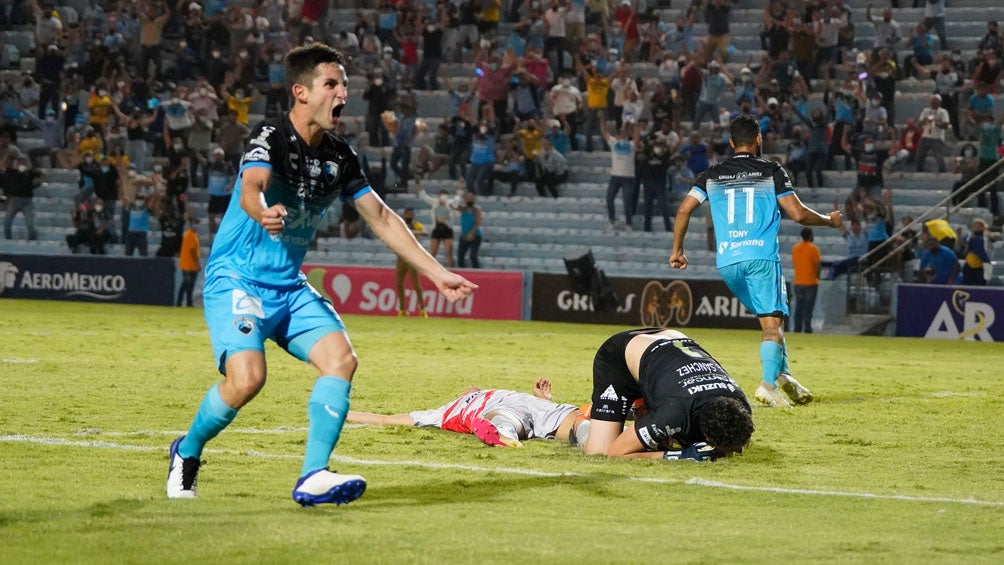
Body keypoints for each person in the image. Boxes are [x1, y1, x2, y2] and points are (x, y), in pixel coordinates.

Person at [166, 45, 477, 507]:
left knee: (341, 360)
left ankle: (313, 474)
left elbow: (382, 217)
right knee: (248, 379)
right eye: (331, 84)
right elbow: (250, 188)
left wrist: (435, 273)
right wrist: (262, 211)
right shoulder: (270, 136)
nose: (342, 93)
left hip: (289, 286)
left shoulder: (340, 155)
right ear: (301, 92)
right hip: (238, 280)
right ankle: (186, 451)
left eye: (344, 84)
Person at [670, 115, 842, 408]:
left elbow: (684, 210)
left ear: (732, 143)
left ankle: (785, 375)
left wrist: (678, 250)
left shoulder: (712, 174)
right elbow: (798, 214)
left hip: (728, 262)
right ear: (759, 140)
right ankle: (767, 384)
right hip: (760, 258)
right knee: (772, 323)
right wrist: (830, 221)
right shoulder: (771, 170)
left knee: (769, 319)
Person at [581, 328, 754, 461]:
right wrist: (681, 456)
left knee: (668, 437)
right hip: (621, 355)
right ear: (707, 435)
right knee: (599, 451)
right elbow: (616, 453)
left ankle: (637, 412)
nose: (735, 452)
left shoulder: (740, 405)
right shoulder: (675, 413)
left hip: (671, 341)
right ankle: (579, 419)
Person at [347, 378, 586, 448]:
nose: (471, 389)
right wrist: (341, 412)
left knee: (582, 420)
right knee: (499, 418)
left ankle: (615, 419)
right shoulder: (441, 413)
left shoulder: (483, 392)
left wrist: (542, 399)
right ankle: (504, 434)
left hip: (530, 403)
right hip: (497, 411)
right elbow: (384, 419)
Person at [395, 207, 429, 317]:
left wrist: (411, 232)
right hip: (401, 257)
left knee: (416, 284)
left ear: (413, 215)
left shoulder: (416, 225)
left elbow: (425, 232)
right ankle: (402, 309)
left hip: (412, 258)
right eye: (407, 214)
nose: (408, 216)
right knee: (399, 284)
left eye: (410, 214)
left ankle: (422, 309)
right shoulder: (401, 224)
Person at [417, 180, 459, 268]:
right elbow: (423, 196)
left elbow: (457, 199)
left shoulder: (450, 203)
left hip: (447, 228)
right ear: (439, 196)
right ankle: (430, 269)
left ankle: (453, 269)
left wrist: (460, 188)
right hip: (437, 228)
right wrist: (419, 185)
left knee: (448, 253)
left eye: (445, 195)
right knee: (433, 252)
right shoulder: (434, 202)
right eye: (442, 195)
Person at [1, 155, 42, 240]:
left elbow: (43, 175)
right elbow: (2, 167)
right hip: (15, 200)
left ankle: (31, 241)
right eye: (19, 161)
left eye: (23, 161)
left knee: (30, 225)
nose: (21, 163)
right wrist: (7, 158)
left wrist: (30, 170)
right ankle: (8, 240)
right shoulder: (12, 172)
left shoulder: (30, 173)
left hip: (26, 201)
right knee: (7, 223)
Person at [791, 228, 821, 333]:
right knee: (808, 308)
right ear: (809, 236)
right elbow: (817, 266)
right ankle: (807, 328)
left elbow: (795, 263)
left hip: (798, 281)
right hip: (811, 282)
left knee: (798, 307)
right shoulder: (814, 249)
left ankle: (797, 329)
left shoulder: (795, 248)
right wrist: (817, 276)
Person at [177, 216, 200, 307]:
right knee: (188, 285)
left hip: (187, 264)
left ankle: (183, 302)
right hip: (190, 265)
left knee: (186, 284)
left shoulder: (189, 234)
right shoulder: (191, 235)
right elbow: (192, 251)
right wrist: (197, 263)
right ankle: (187, 302)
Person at [960, 219, 991, 286]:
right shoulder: (971, 237)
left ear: (983, 228)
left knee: (981, 285)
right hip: (970, 265)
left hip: (982, 266)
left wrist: (987, 262)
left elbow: (983, 251)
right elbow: (964, 247)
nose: (977, 228)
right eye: (975, 227)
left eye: (979, 227)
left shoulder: (985, 237)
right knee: (967, 285)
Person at [457, 190, 483, 269]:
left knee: (473, 256)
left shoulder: (476, 210)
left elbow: (478, 222)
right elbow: (453, 205)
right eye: (468, 198)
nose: (469, 200)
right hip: (464, 235)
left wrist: (472, 233)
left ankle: (478, 272)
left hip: (475, 236)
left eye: (471, 198)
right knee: (460, 256)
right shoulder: (462, 209)